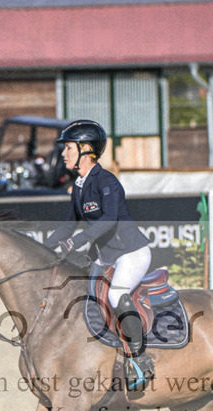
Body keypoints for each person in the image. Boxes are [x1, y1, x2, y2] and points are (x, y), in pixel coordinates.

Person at [44, 120, 154, 390]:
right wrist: (44, 247)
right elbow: (69, 223)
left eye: (68, 148)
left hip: (131, 253)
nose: (63, 154)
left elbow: (109, 219)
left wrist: (78, 241)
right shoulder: (79, 186)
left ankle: (140, 360)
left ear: (86, 150)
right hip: (106, 258)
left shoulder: (107, 181)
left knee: (116, 295)